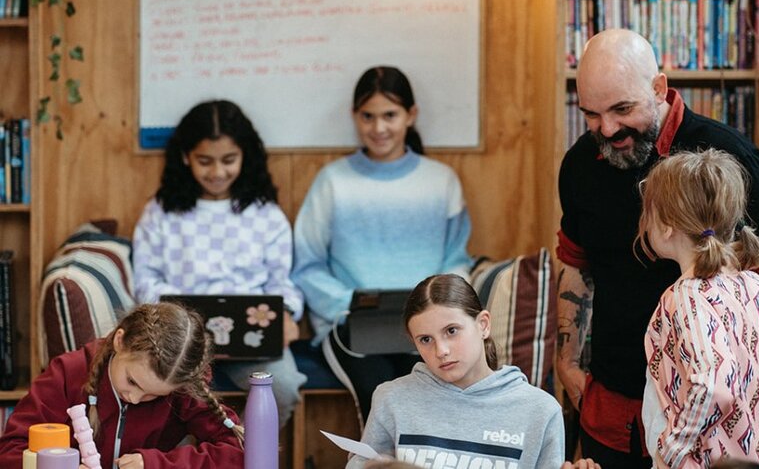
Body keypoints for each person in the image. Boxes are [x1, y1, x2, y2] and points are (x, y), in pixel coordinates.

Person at [555, 29, 759, 468]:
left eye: (622, 109)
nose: (607, 128)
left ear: (658, 88)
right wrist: (567, 361)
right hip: (611, 402)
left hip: (709, 433)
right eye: (592, 114)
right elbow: (576, 266)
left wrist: (752, 391)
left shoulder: (727, 155)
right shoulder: (579, 165)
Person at [293, 66, 472, 425]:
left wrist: (437, 313)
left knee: (433, 400)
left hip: (427, 326)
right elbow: (307, 266)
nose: (379, 128)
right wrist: (349, 306)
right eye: (368, 116)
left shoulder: (441, 181)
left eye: (390, 115)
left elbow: (457, 259)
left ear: (411, 115)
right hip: (351, 327)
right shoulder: (332, 182)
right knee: (380, 402)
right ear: (355, 117)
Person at [133, 99, 306, 426]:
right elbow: (145, 278)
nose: (217, 173)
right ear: (186, 157)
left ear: (245, 155)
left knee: (282, 387)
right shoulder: (161, 213)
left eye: (229, 160)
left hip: (254, 340)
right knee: (162, 391)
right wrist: (174, 312)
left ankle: (242, 454)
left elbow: (283, 281)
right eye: (204, 161)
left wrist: (285, 314)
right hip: (180, 339)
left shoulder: (265, 214)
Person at [638, 149, 759, 468]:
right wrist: (755, 428)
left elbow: (711, 384)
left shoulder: (685, 299)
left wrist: (673, 451)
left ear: (666, 227)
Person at [346, 274, 564, 469]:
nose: (441, 351)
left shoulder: (541, 411)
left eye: (451, 331)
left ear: (483, 325)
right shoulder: (391, 398)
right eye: (425, 340)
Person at [0, 303, 243, 468]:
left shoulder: (182, 389)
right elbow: (10, 451)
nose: (135, 398)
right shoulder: (67, 373)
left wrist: (156, 464)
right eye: (132, 381)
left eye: (154, 396)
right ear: (119, 340)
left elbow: (240, 451)